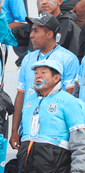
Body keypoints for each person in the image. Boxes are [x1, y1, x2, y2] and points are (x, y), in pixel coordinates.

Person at [11, 13, 79, 150]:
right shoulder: (27, 59)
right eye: (32, 30)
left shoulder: (68, 58)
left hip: (54, 137)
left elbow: (70, 97)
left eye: (36, 30)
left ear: (49, 34)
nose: (31, 35)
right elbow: (20, 95)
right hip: (27, 133)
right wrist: (14, 131)